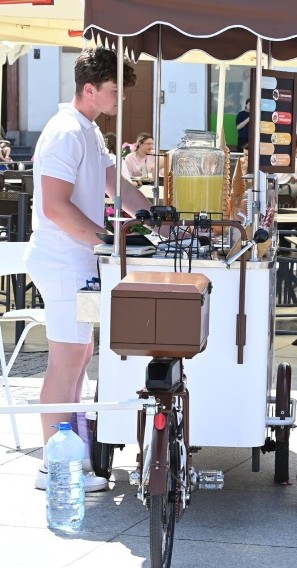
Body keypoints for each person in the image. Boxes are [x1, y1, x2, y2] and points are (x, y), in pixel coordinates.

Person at [24, 47, 155, 492]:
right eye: (115, 90)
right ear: (89, 89)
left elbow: (115, 183)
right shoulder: (65, 131)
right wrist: (106, 238)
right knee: (65, 361)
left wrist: (157, 214)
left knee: (79, 356)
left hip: (76, 259)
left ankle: (68, 458)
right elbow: (55, 207)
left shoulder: (88, 131)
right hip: (63, 259)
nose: (120, 98)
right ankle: (53, 467)